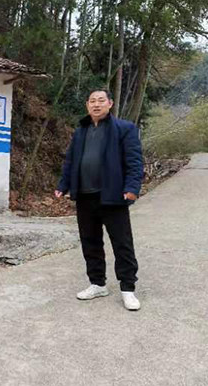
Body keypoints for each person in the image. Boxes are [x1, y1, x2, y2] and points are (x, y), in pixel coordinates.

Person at [54, 89, 144, 311]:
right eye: (92, 101)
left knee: (122, 243)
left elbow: (134, 162)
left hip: (113, 196)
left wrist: (132, 188)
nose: (96, 104)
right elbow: (70, 161)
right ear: (87, 105)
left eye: (101, 100)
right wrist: (63, 185)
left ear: (110, 103)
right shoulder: (81, 131)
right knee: (90, 242)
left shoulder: (124, 129)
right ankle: (97, 283)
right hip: (85, 196)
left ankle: (128, 288)